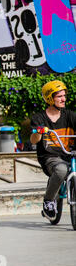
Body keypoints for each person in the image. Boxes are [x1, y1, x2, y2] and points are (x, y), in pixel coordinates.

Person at [30, 80, 76, 221]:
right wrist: (39, 132)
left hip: (70, 154)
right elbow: (33, 140)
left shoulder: (70, 115)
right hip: (50, 157)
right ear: (50, 98)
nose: (63, 99)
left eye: (64, 96)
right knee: (61, 170)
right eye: (59, 96)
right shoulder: (39, 118)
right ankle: (49, 201)